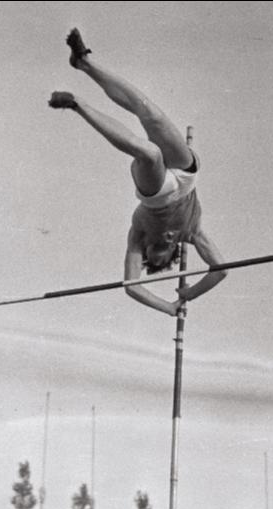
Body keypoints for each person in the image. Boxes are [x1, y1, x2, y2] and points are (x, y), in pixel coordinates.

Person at [49, 29, 228, 316]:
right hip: (186, 178)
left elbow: (131, 285)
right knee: (153, 117)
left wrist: (169, 307)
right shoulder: (192, 233)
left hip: (157, 195)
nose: (154, 247)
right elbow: (221, 269)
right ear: (172, 253)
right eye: (160, 252)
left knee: (150, 144)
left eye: (150, 252)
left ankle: (78, 99)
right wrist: (189, 295)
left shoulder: (138, 235)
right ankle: (82, 63)